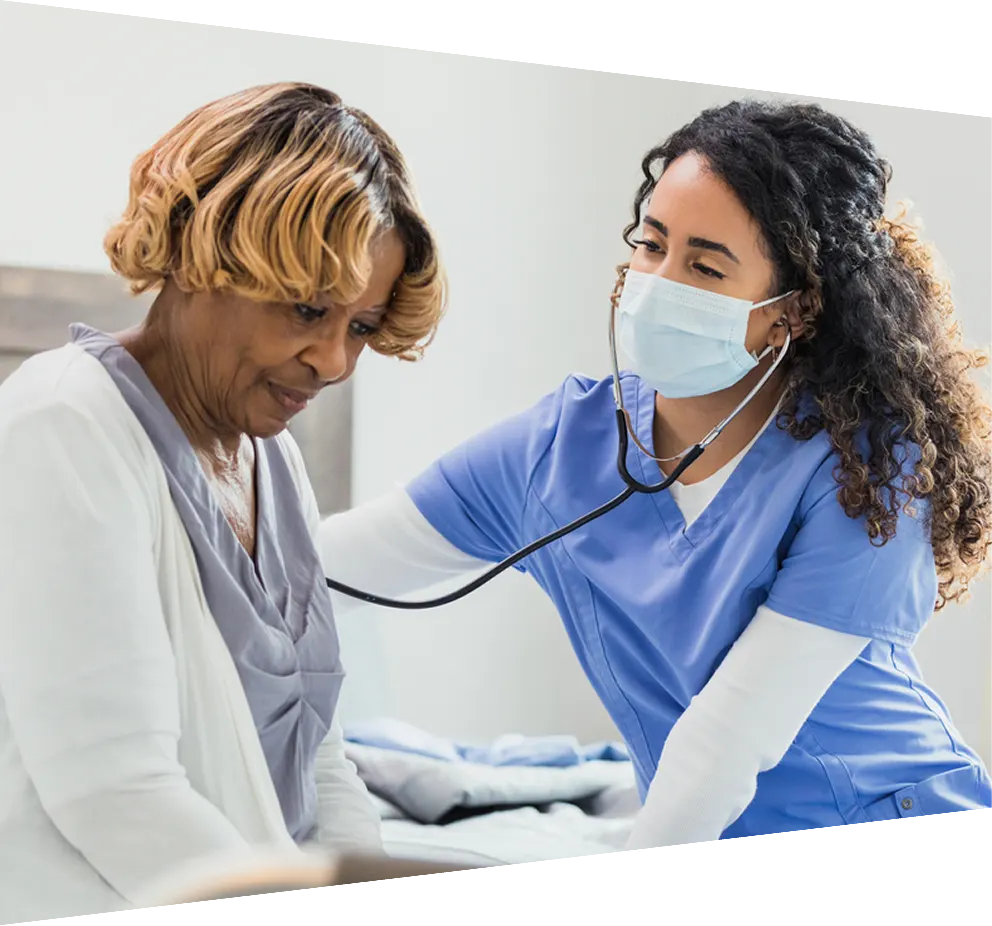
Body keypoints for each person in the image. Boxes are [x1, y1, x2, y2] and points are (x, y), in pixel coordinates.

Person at [321, 99, 992, 849]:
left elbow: (730, 738)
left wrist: (634, 895)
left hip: (915, 854)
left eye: (705, 265)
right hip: (712, 857)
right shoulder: (558, 448)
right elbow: (312, 571)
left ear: (792, 312)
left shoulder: (866, 464)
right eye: (650, 244)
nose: (659, 282)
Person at [0, 82, 446, 916]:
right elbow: (115, 791)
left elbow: (319, 756)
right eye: (308, 310)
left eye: (360, 325)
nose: (334, 361)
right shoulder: (63, 422)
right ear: (200, 256)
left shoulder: (270, 454)